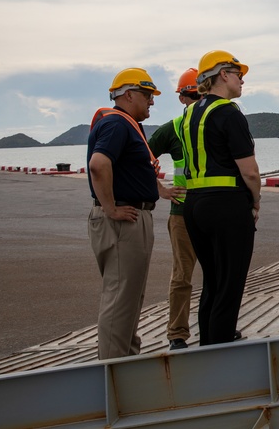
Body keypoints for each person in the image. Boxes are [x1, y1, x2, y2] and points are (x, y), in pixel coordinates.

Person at [87, 68, 182, 359]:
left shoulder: (127, 125)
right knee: (120, 298)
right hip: (123, 222)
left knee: (129, 297)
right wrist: (110, 208)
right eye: (147, 95)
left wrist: (157, 189)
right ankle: (114, 371)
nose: (152, 102)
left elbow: (127, 167)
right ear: (128, 95)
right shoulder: (117, 124)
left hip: (132, 217)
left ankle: (125, 359)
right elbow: (98, 165)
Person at [181, 50, 261, 346]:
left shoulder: (189, 114)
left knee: (213, 282)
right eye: (238, 73)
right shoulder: (228, 112)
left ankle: (207, 346)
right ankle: (222, 350)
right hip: (227, 204)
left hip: (195, 205)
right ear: (223, 75)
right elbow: (249, 172)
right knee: (230, 284)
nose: (242, 80)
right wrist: (255, 200)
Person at [147, 68, 201, 350]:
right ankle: (177, 333)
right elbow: (142, 157)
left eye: (200, 94)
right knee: (182, 276)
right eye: (191, 96)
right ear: (182, 99)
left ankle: (218, 325)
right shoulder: (173, 129)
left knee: (219, 274)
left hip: (212, 211)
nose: (195, 100)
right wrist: (161, 190)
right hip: (182, 213)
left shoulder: (217, 125)